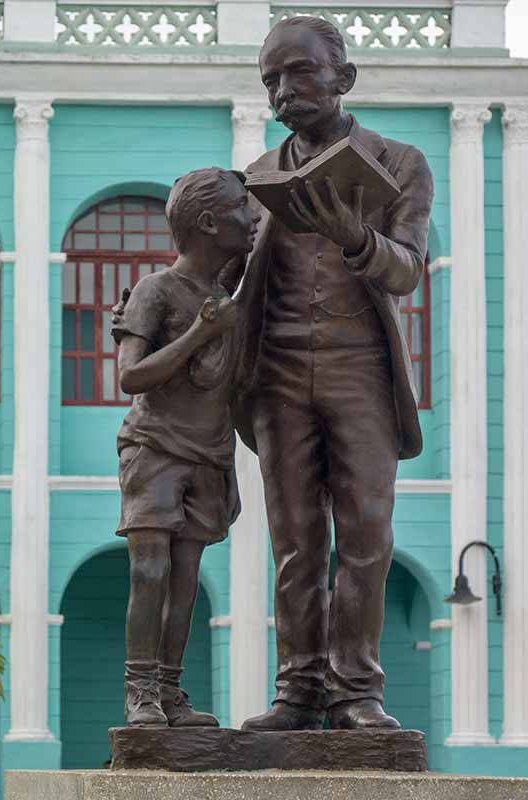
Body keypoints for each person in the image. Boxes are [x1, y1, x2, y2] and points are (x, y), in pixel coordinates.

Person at [235, 16, 434, 731]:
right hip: (277, 373)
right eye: (271, 81)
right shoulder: (258, 177)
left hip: (361, 369)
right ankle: (299, 691)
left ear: (343, 78)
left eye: (298, 73)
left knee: (367, 534)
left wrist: (356, 236)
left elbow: (407, 270)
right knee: (295, 540)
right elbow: (227, 275)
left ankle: (356, 692)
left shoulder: (399, 163)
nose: (283, 92)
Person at [112, 168, 260, 727]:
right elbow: (130, 378)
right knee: (150, 570)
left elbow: (228, 390)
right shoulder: (156, 290)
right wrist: (200, 332)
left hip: (209, 452)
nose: (252, 219)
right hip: (154, 447)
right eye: (242, 209)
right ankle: (141, 692)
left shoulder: (224, 299)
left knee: (186, 579)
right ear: (208, 222)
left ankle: (170, 692)